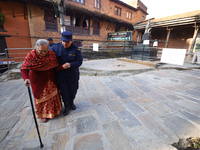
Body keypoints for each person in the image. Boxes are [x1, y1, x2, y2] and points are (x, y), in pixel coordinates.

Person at [21, 39, 69, 122]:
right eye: (41, 51)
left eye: (45, 50)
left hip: (51, 79)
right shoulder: (31, 55)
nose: (43, 53)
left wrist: (62, 67)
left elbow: (55, 68)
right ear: (36, 48)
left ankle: (55, 112)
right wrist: (26, 78)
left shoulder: (51, 54)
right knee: (41, 98)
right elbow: (24, 68)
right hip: (38, 81)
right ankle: (43, 115)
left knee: (53, 96)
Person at [50, 31, 83, 116]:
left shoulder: (76, 49)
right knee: (64, 92)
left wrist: (71, 64)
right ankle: (66, 106)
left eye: (67, 42)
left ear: (71, 40)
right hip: (61, 77)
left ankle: (71, 102)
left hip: (73, 75)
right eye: (63, 41)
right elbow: (46, 55)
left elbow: (79, 61)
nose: (64, 43)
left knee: (73, 91)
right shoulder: (55, 48)